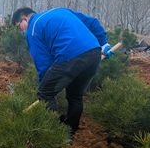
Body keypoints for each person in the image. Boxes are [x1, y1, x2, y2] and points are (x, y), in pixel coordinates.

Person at [12, 7, 114, 138]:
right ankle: (68, 134)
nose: (21, 31)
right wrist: (104, 43)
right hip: (93, 53)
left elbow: (43, 64)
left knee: (45, 93)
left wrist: (45, 86)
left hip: (70, 56)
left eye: (19, 27)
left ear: (25, 19)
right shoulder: (60, 11)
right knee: (75, 96)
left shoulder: (33, 28)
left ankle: (53, 135)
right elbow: (92, 22)